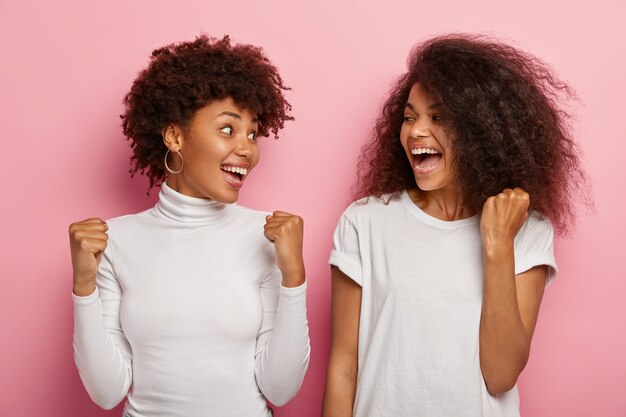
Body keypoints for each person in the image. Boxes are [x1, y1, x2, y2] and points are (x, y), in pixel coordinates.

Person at [322, 34, 586, 417]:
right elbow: (344, 367)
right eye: (409, 116)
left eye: (439, 117)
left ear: (482, 131)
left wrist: (497, 245)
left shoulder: (527, 230)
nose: (415, 132)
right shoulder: (365, 221)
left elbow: (501, 375)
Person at [69, 35, 310, 417]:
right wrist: (83, 288)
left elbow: (280, 391)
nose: (247, 148)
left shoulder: (268, 237)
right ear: (175, 136)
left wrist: (294, 277)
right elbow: (106, 392)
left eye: (253, 132)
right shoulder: (114, 242)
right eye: (228, 129)